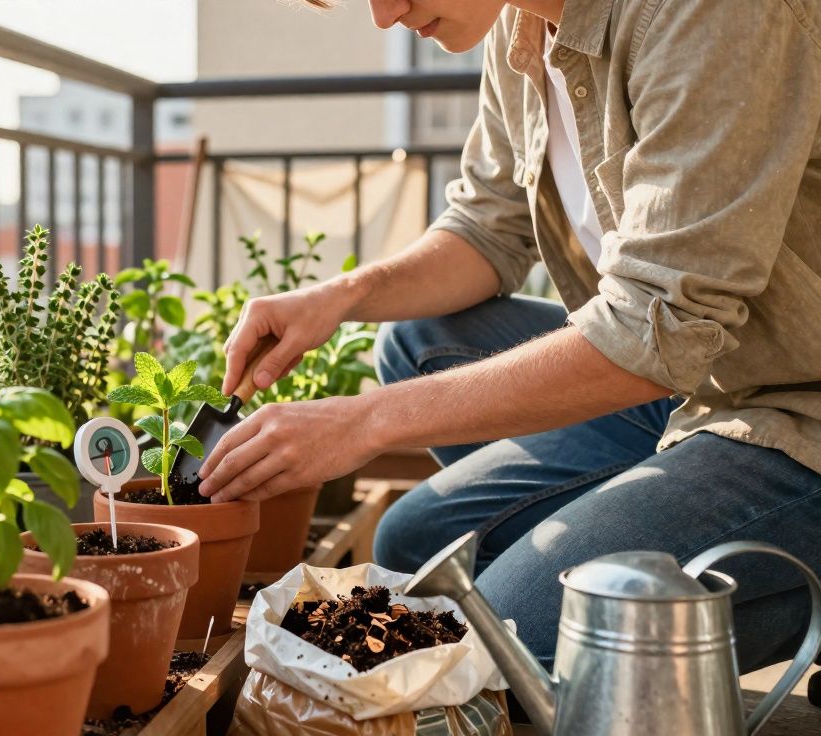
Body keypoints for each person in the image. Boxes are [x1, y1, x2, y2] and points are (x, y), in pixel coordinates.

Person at [197, 0, 821, 672]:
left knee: (508, 646)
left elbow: (660, 324)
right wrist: (337, 297)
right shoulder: (518, 28)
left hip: (795, 407)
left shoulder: (709, 13)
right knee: (416, 523)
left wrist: (364, 423)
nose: (384, 15)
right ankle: (663, 501)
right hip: (696, 384)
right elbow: (486, 231)